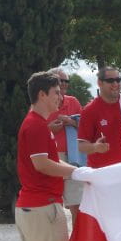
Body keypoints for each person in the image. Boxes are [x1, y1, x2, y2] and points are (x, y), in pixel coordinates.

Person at [14, 71, 107, 241]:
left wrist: (78, 170)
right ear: (42, 94)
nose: (61, 97)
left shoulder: (35, 124)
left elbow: (49, 162)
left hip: (31, 205)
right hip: (43, 204)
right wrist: (75, 172)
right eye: (56, 93)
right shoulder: (35, 125)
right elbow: (42, 164)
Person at [78, 66, 121, 166]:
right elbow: (81, 146)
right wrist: (95, 147)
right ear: (99, 83)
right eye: (110, 80)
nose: (115, 84)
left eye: (118, 80)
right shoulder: (89, 110)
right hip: (101, 173)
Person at [46, 67, 83, 225]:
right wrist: (49, 129)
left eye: (66, 81)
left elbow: (85, 127)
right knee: (53, 203)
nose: (64, 84)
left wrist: (72, 122)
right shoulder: (43, 103)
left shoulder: (73, 102)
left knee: (77, 204)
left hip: (73, 157)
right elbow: (32, 130)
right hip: (51, 157)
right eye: (61, 80)